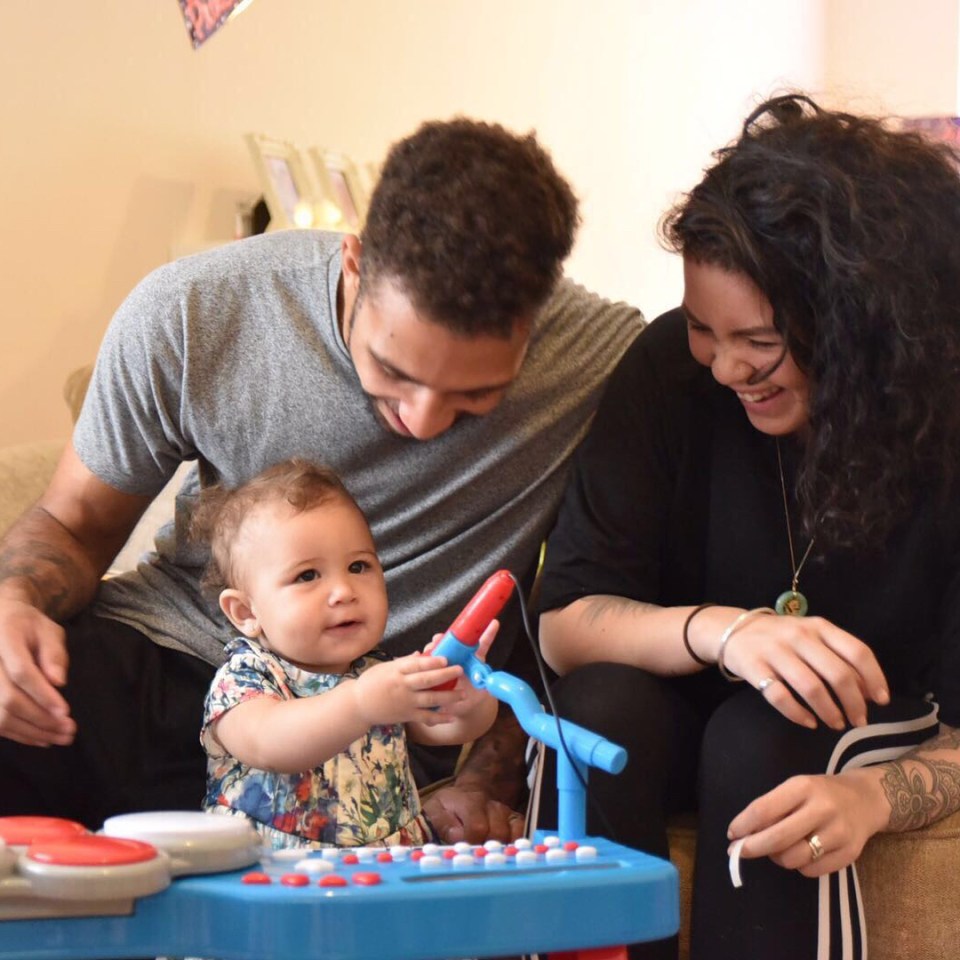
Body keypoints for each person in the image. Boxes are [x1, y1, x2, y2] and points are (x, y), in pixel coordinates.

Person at [0, 116, 642, 841]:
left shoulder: (605, 356)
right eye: (393, 372)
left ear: (537, 323)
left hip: (372, 726)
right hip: (171, 662)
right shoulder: (196, 310)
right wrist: (13, 601)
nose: (424, 420)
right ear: (355, 262)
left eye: (475, 397)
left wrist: (486, 769)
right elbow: (72, 525)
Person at [536, 93, 960, 960]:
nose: (727, 367)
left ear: (861, 325)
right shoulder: (666, 373)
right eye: (703, 330)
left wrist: (876, 798)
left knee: (763, 738)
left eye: (761, 341)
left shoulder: (942, 421)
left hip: (849, 726)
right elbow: (565, 626)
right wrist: (727, 633)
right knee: (596, 714)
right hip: (676, 685)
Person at [193, 459, 496, 849]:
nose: (344, 591)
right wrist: (361, 703)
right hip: (272, 878)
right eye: (307, 576)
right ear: (247, 613)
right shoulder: (244, 679)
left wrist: (468, 698)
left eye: (358, 566)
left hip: (387, 870)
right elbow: (271, 743)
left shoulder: (373, 673)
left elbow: (447, 729)